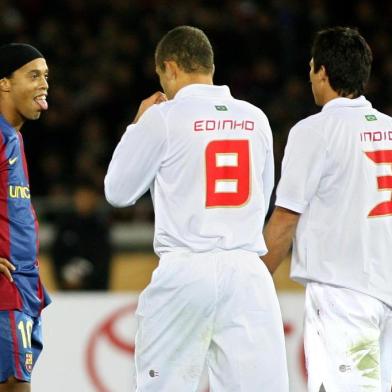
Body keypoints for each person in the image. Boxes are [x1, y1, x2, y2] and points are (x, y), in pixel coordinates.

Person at [105, 26, 288, 391]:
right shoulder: (256, 119)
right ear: (209, 66)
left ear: (169, 68)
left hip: (186, 268)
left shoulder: (165, 117)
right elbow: (264, 195)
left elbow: (117, 191)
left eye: (161, 76)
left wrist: (137, 125)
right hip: (247, 273)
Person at [262, 26, 392, 392]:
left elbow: (286, 217)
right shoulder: (389, 127)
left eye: (310, 69)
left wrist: (254, 280)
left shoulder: (315, 131)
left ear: (322, 72)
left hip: (345, 297)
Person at [0, 43, 51, 392]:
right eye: (33, 75)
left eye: (46, 76)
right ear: (4, 83)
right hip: (6, 291)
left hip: (24, 285)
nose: (44, 84)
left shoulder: (14, 138)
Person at [51, 180, 111, 290]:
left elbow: (103, 259)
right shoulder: (65, 225)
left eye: (87, 196)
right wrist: (62, 280)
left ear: (94, 199)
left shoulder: (100, 226)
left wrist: (87, 281)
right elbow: (56, 255)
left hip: (95, 292)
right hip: (66, 289)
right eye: (80, 196)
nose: (83, 200)